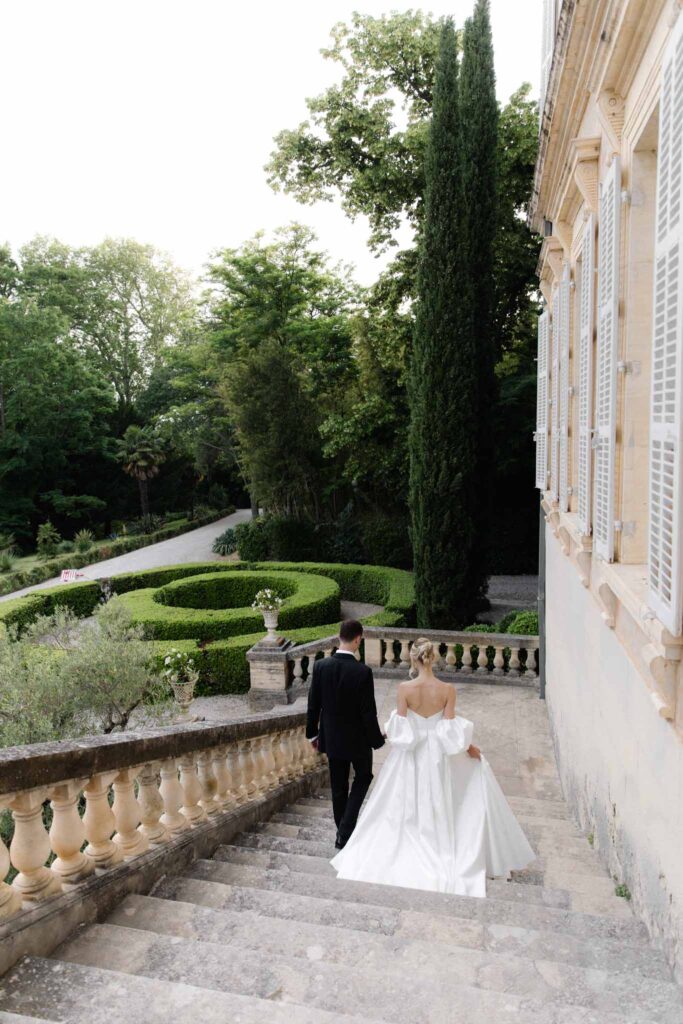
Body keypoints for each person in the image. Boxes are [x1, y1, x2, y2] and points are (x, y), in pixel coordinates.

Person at [330, 637, 536, 896]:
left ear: (414, 659)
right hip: (437, 753)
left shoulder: (405, 688)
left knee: (401, 803)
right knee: (443, 799)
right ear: (433, 658)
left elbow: (402, 730)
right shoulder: (447, 689)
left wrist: (389, 731)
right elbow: (449, 731)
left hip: (412, 754)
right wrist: (470, 749)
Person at [306, 619, 385, 849]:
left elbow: (313, 705)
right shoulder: (363, 672)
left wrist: (312, 735)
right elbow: (368, 713)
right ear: (358, 639)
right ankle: (345, 830)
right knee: (364, 776)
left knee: (338, 786)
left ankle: (342, 833)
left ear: (339, 637)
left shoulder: (321, 666)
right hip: (358, 741)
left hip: (331, 738)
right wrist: (377, 740)